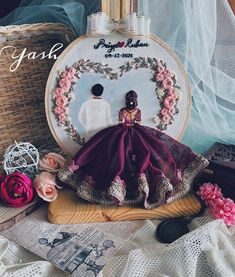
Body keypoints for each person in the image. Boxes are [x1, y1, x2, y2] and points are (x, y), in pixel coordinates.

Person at [58, 90, 208, 209]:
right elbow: (128, 121)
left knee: (146, 151)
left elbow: (132, 121)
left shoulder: (131, 111)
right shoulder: (128, 111)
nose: (131, 104)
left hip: (133, 131)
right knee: (116, 152)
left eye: (132, 101)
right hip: (126, 131)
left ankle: (141, 185)